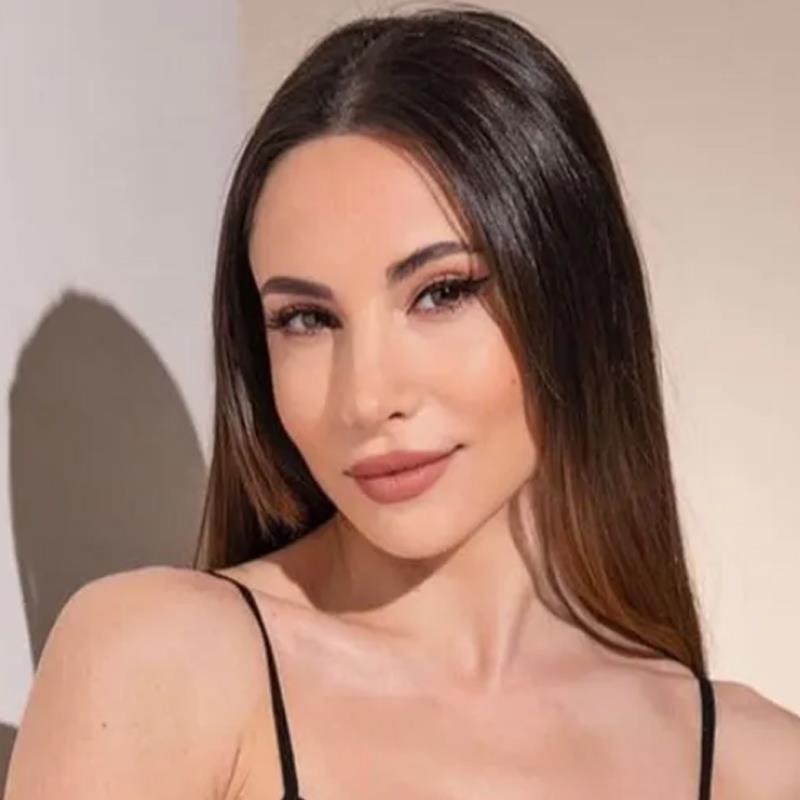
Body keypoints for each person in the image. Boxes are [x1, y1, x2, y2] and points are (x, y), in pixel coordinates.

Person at [6, 4, 800, 798]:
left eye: (441, 291)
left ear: (572, 295)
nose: (366, 397)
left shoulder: (759, 766)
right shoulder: (161, 662)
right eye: (306, 318)